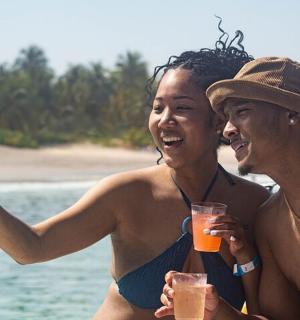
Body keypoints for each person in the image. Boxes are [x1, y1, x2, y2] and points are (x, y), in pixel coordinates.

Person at [0, 32, 269, 320]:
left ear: (217, 121)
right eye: (157, 108)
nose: (164, 119)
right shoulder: (127, 194)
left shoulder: (255, 204)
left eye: (182, 108)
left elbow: (266, 311)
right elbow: (31, 247)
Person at [156, 56, 300, 320]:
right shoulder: (270, 221)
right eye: (228, 118)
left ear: (291, 113)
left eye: (242, 112)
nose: (229, 131)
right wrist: (216, 310)